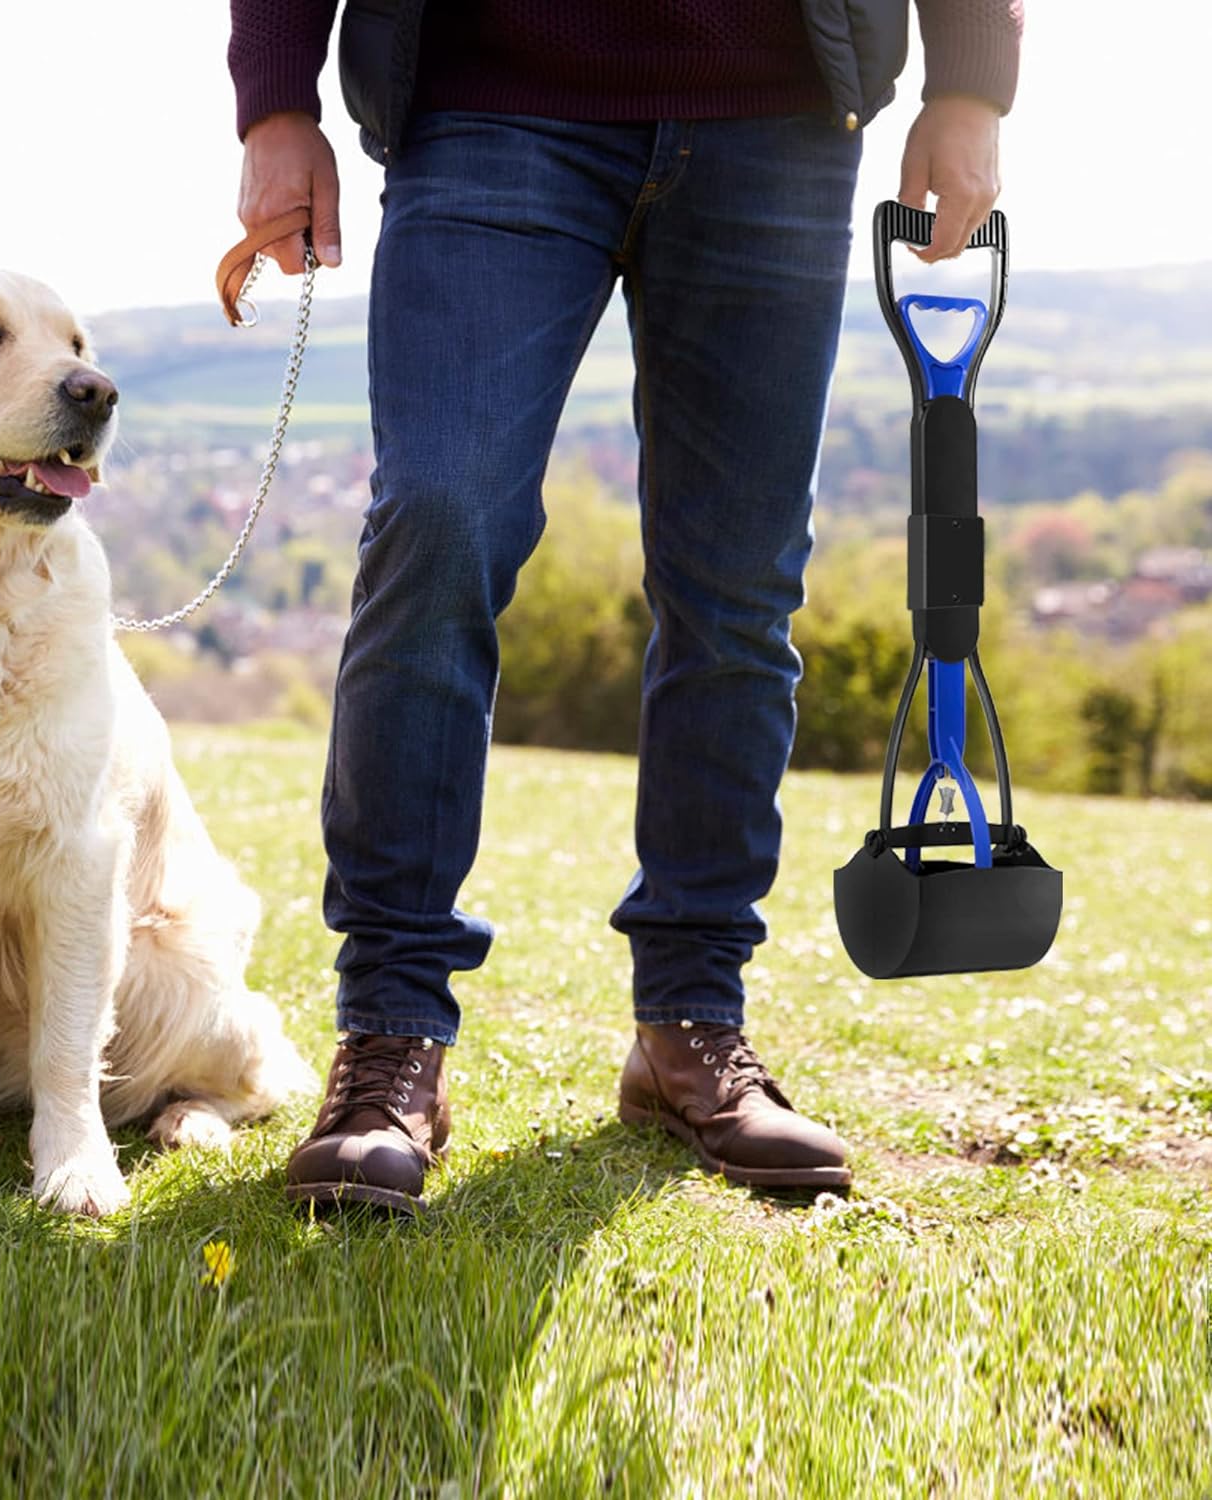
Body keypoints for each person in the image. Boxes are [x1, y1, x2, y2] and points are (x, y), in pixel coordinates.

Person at [228, 0, 1022, 1213]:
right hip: (487, 100)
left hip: (780, 112)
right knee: (439, 524)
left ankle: (690, 1022)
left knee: (737, 587)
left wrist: (972, 83)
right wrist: (277, 101)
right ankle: (391, 1035)